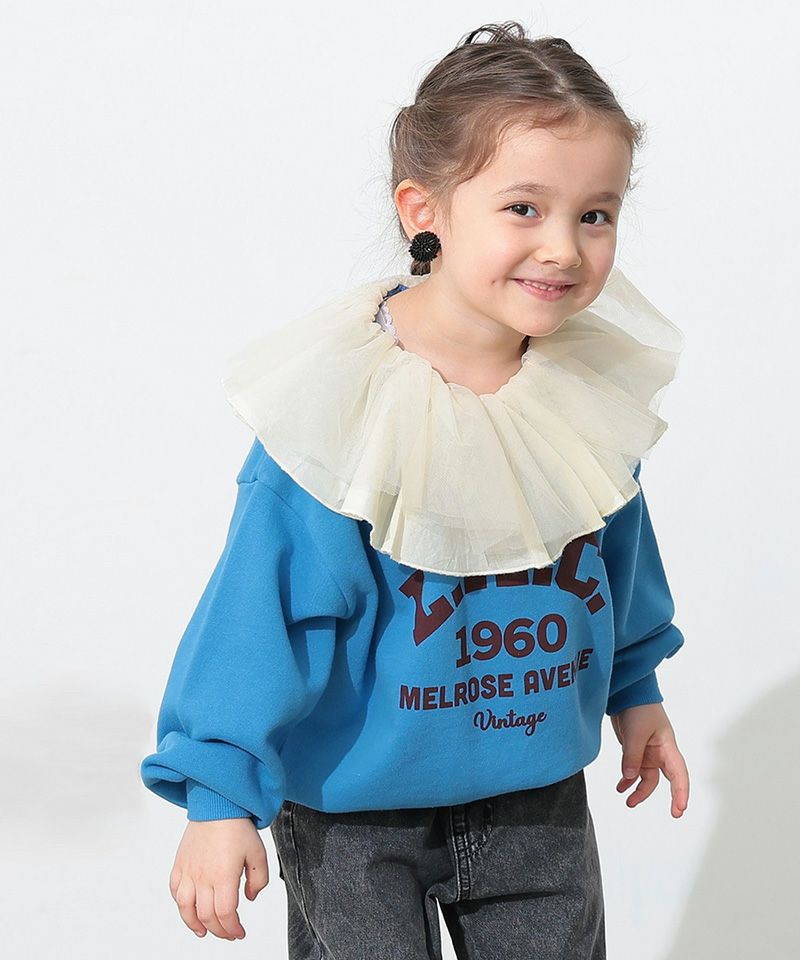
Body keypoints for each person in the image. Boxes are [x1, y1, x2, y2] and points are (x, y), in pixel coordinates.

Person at [140, 19, 689, 959]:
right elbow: (258, 614)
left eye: (595, 215)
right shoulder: (340, 414)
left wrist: (637, 691)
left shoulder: (581, 396)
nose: (563, 248)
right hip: (356, 814)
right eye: (524, 208)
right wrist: (219, 796)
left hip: (536, 797)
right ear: (422, 208)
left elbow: (617, 556)